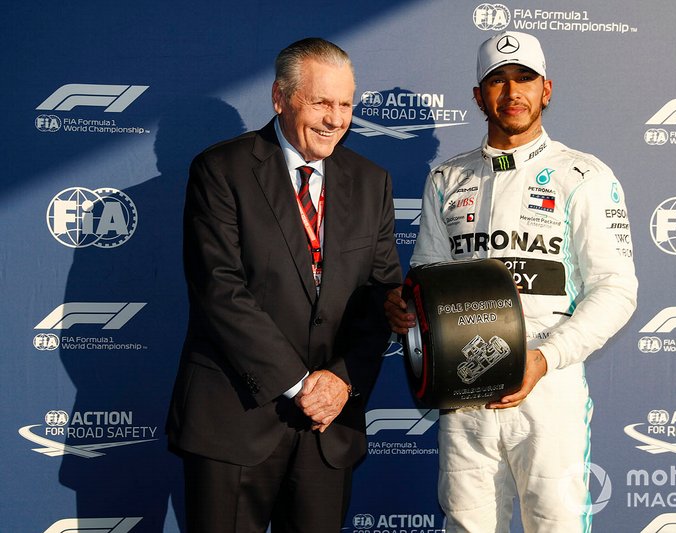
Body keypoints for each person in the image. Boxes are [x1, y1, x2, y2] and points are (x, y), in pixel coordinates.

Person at [385, 31, 637, 532]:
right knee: (467, 525)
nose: (511, 92)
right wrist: (405, 310)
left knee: (555, 525)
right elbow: (427, 281)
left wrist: (546, 359)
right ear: (478, 97)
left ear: (547, 89)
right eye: (496, 81)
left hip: (548, 385)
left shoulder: (583, 176)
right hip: (462, 392)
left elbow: (616, 290)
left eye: (524, 78)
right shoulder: (447, 179)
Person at [167, 37, 402, 533]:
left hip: (328, 428)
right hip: (234, 424)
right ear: (280, 98)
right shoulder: (221, 170)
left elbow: (381, 295)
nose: (335, 119)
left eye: (345, 104)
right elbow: (220, 290)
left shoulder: (371, 180)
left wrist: (340, 380)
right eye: (320, 102)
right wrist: (301, 385)